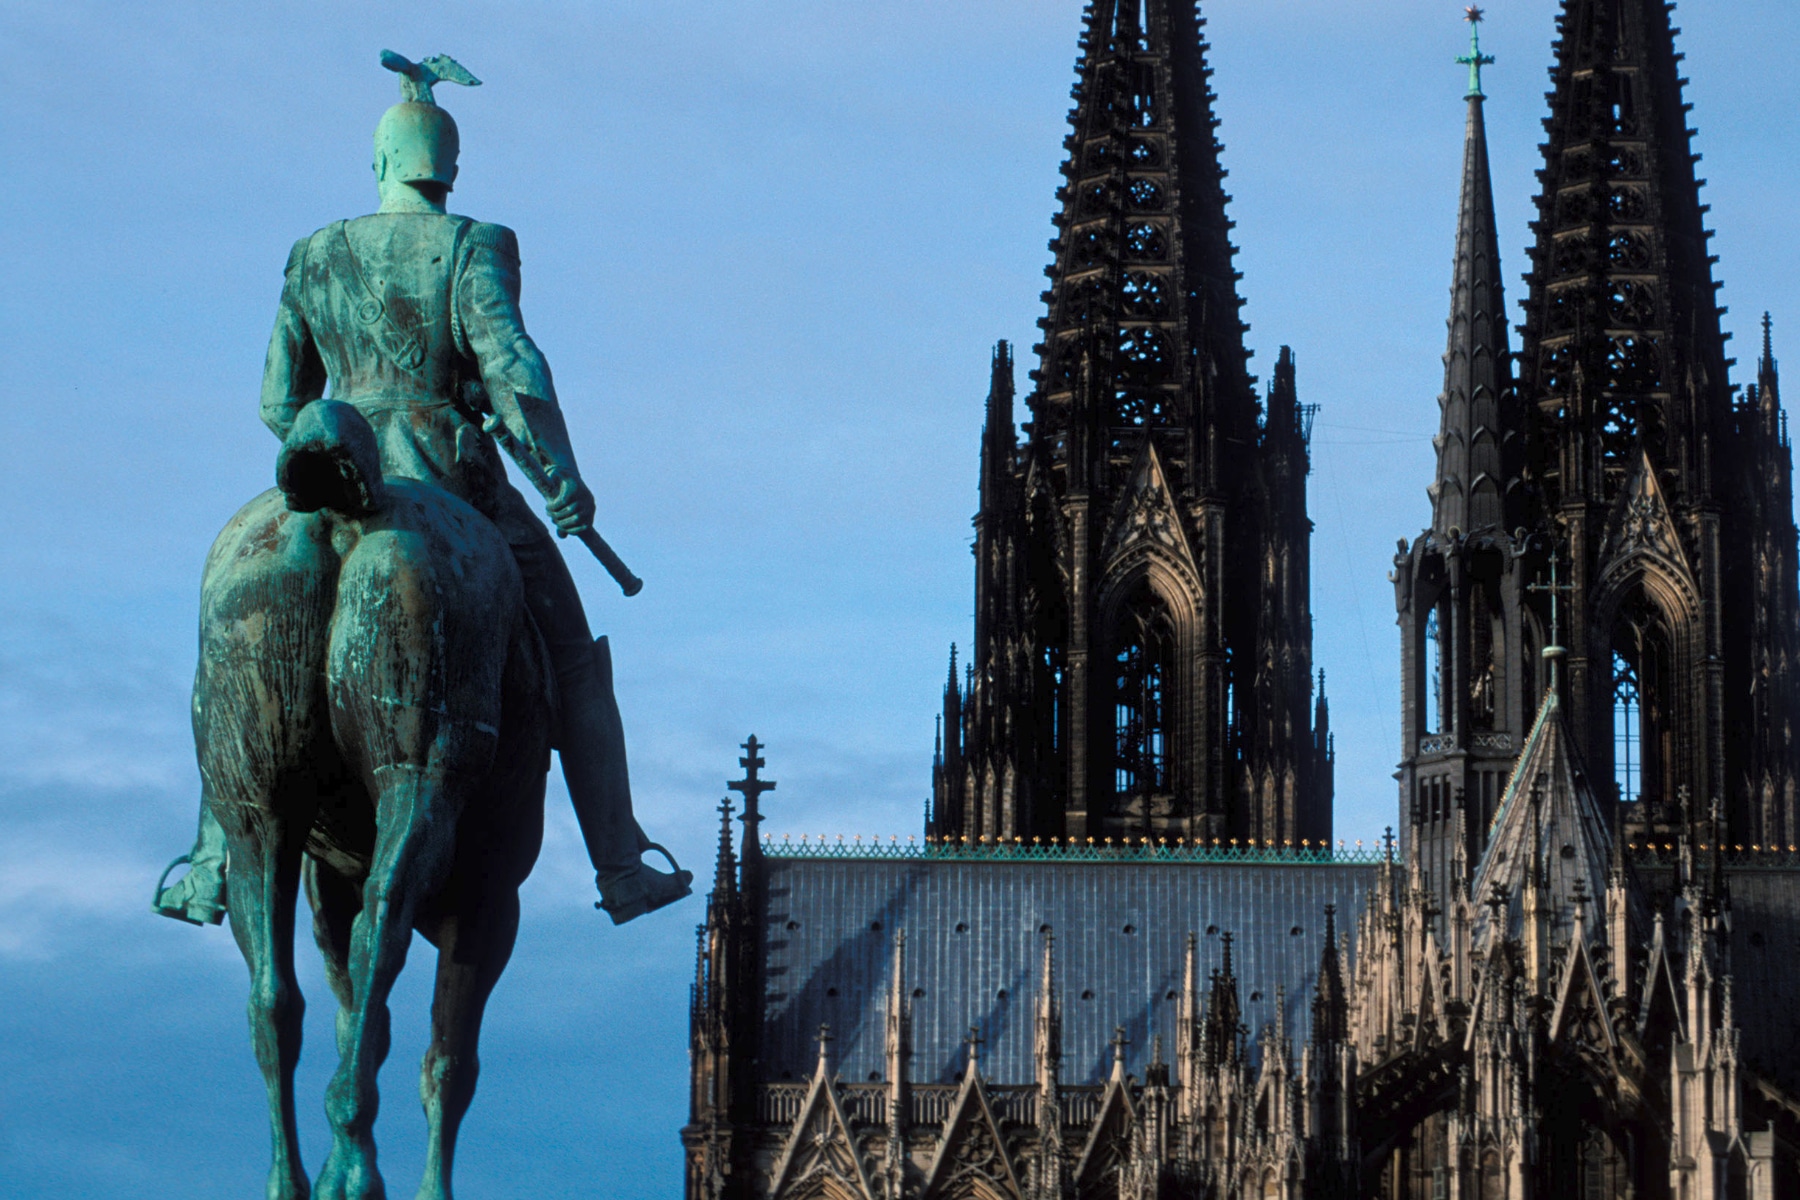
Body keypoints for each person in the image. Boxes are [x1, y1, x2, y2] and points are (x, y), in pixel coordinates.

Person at [154, 52, 690, 926]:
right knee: (573, 658)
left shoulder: (315, 253)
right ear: (447, 170)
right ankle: (622, 867)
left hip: (330, 480)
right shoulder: (475, 243)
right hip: (455, 477)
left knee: (235, 651)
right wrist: (563, 475)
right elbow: (515, 365)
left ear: (379, 164)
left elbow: (277, 402)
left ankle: (213, 863)